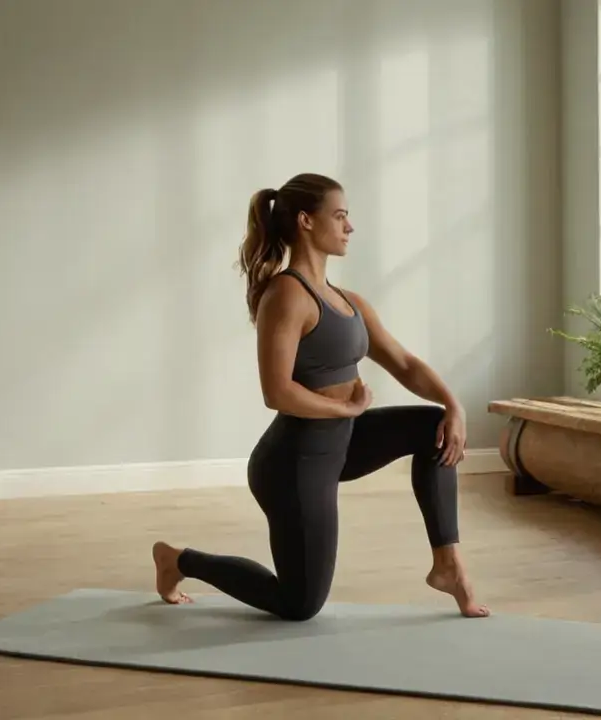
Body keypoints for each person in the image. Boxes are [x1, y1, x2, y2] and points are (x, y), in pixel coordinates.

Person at [151, 172, 490, 621]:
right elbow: (277, 392)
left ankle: (449, 565)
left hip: (341, 443)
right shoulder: (287, 295)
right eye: (341, 215)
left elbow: (405, 364)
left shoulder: (348, 301)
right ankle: (178, 560)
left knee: (435, 427)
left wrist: (454, 405)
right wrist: (343, 408)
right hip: (294, 462)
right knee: (300, 604)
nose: (350, 226)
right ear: (307, 221)